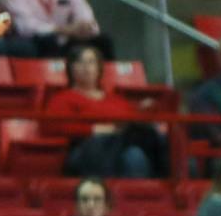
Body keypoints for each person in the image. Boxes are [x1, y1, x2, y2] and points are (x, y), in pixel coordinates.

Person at [47, 42, 166, 179]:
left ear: (99, 68)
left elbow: (130, 120)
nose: (87, 67)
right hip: (87, 150)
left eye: (91, 62)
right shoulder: (62, 99)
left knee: (135, 155)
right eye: (80, 62)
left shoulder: (115, 99)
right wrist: (96, 129)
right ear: (70, 68)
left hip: (121, 147)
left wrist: (142, 110)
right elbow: (52, 126)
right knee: (126, 142)